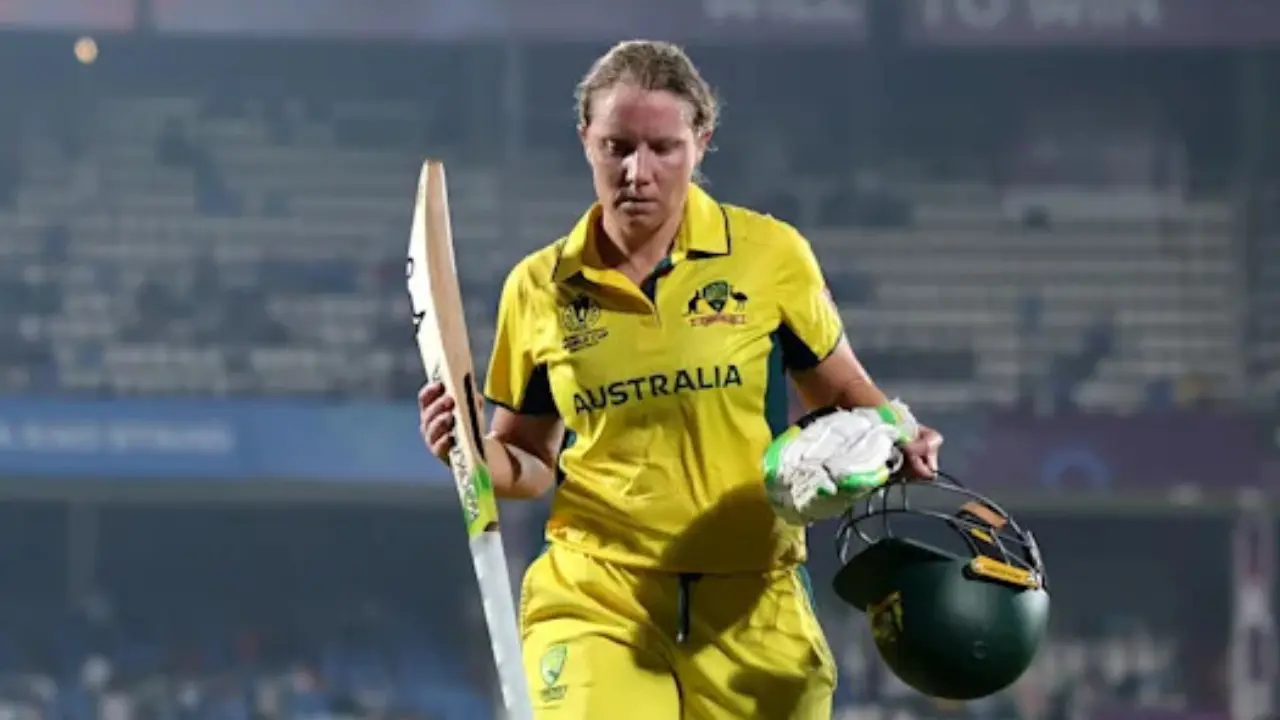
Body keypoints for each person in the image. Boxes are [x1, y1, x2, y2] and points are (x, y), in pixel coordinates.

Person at [417, 39, 944, 720]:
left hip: (754, 602)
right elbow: (527, 459)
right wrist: (468, 451)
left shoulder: (769, 256)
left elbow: (844, 395)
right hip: (597, 598)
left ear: (702, 141)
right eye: (616, 147)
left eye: (662, 148)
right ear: (585, 140)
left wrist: (899, 432)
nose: (636, 172)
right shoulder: (539, 287)